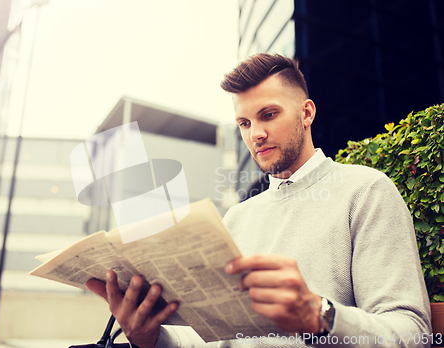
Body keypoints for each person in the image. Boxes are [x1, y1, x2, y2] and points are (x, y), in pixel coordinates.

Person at [87, 53, 432, 347]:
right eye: (244, 122)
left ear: (307, 113)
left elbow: (414, 334)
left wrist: (321, 315)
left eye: (268, 115)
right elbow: (217, 339)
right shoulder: (236, 218)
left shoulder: (366, 191)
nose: (256, 134)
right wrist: (149, 337)